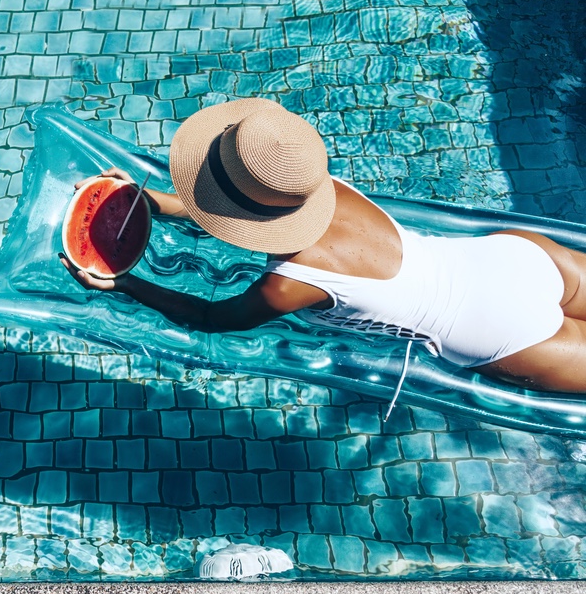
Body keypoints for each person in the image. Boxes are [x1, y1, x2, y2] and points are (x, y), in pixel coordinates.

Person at [59, 97, 586, 393]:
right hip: (518, 257)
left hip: (498, 334)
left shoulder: (290, 285)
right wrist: (146, 199)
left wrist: (123, 283)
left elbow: (212, 319)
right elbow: (229, 208)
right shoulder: (315, 183)